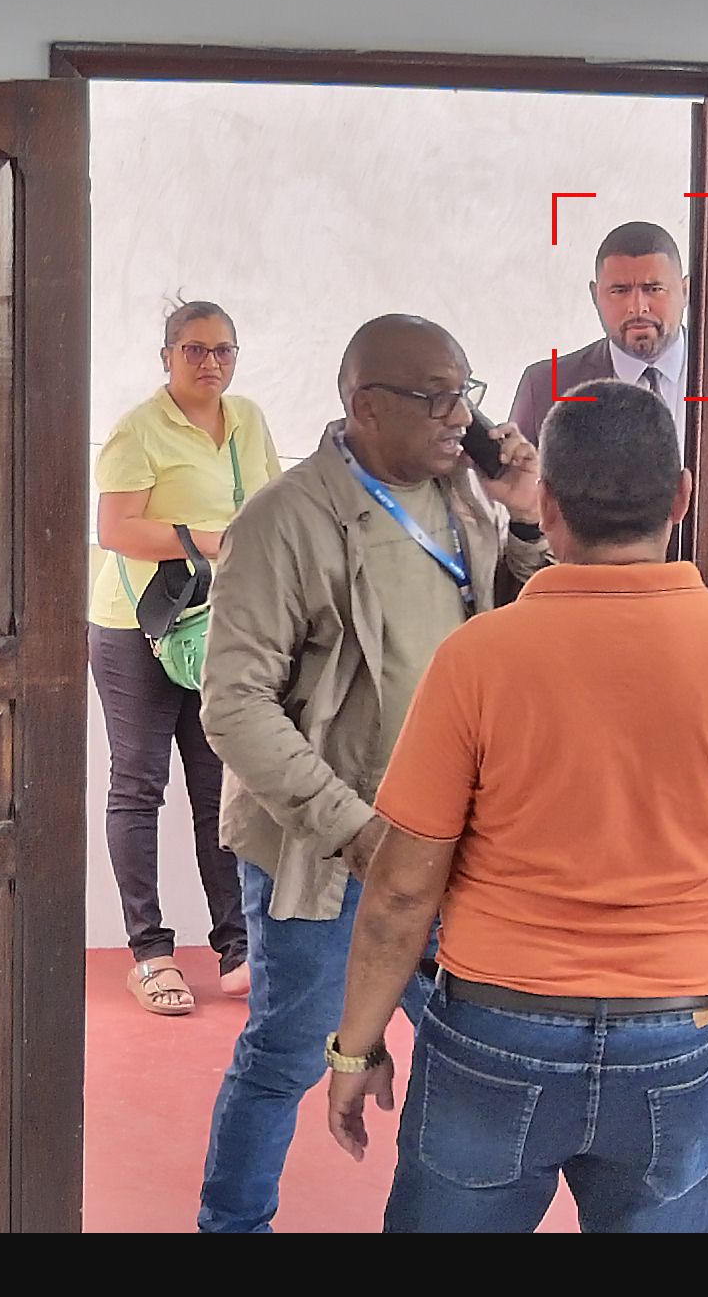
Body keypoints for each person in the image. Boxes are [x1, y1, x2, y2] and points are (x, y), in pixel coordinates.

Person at [324, 378, 708, 1234]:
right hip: (675, 1042)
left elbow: (400, 889)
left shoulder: (476, 659)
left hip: (495, 1032)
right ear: (680, 498)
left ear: (550, 507)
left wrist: (355, 1046)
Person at [194, 313, 548, 1232]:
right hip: (331, 849)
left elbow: (518, 632)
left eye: (464, 395)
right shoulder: (281, 522)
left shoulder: (465, 498)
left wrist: (524, 514)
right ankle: (233, 1226)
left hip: (453, 845)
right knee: (285, 1056)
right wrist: (354, 830)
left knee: (468, 1052)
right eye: (435, 398)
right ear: (363, 406)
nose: (459, 417)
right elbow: (233, 706)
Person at [91, 301, 283, 1016]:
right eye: (195, 349)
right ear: (166, 356)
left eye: (223, 350)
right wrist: (205, 539)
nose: (210, 363)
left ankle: (238, 949)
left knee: (219, 790)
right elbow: (114, 529)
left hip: (218, 628)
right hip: (137, 627)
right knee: (139, 786)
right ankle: (150, 954)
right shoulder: (138, 429)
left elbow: (271, 509)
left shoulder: (249, 421)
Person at [511, 221, 691, 451]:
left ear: (685, 291)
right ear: (595, 296)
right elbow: (513, 473)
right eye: (619, 291)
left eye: (654, 289)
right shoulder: (545, 388)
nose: (637, 308)